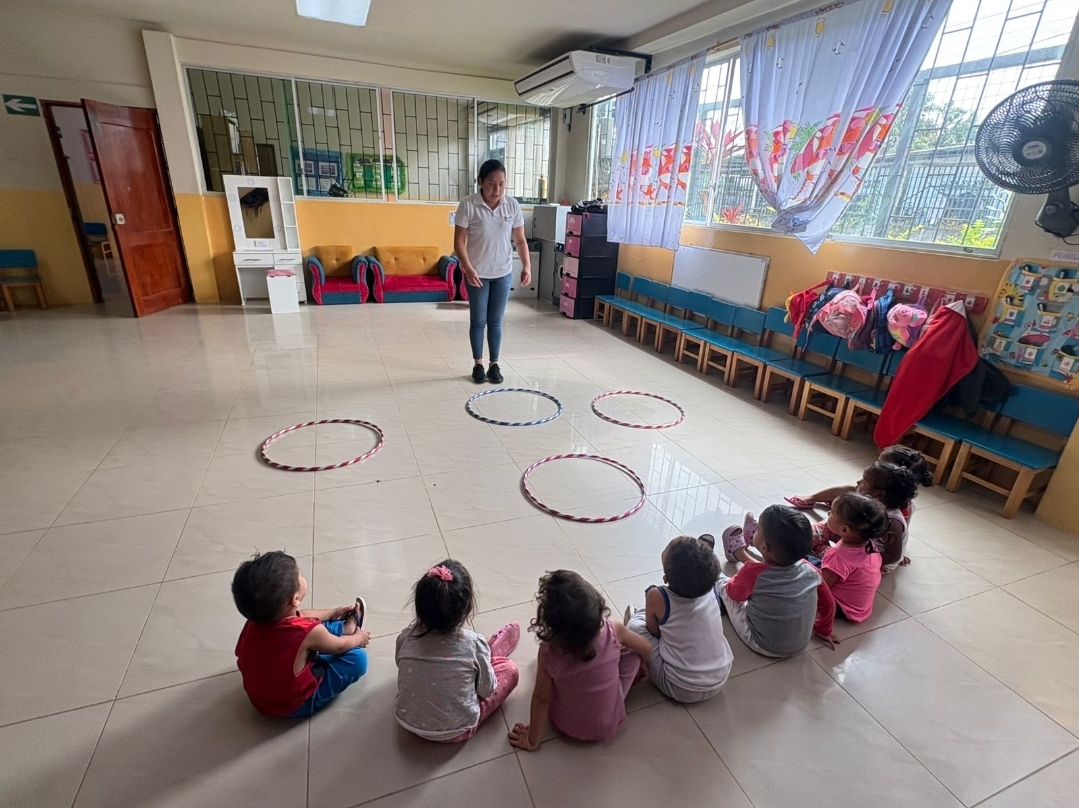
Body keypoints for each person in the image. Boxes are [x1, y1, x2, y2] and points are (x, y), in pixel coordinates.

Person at [508, 570, 651, 751]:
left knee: (551, 680)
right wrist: (642, 664)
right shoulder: (613, 629)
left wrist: (532, 740)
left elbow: (542, 699)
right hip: (609, 723)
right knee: (633, 653)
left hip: (566, 725)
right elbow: (646, 648)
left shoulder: (548, 652)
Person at [232, 551, 370, 718]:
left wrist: (333, 613)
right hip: (292, 704)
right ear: (295, 599)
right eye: (300, 575)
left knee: (311, 628)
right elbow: (339, 647)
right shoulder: (306, 632)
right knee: (358, 659)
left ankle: (342, 629)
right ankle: (343, 633)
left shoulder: (256, 620)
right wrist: (359, 638)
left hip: (260, 700)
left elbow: (301, 616)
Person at [395, 560, 519, 742]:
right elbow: (486, 690)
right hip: (459, 730)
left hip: (408, 723)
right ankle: (489, 657)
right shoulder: (473, 642)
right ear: (468, 608)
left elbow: (400, 663)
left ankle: (485, 659)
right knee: (510, 670)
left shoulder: (405, 637)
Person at [623, 535, 733, 703]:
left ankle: (638, 615)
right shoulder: (709, 590)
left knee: (635, 626)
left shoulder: (656, 594)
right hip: (720, 678)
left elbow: (654, 632)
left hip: (680, 687)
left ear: (666, 578)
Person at [719, 506, 840, 653]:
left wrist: (731, 581)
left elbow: (733, 593)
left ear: (764, 547)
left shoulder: (752, 572)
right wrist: (824, 630)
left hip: (761, 644)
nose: (756, 531)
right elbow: (829, 605)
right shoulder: (812, 571)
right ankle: (741, 555)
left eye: (757, 530)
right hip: (801, 645)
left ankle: (725, 564)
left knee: (724, 587)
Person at [454, 158, 532, 385]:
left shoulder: (512, 205)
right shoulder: (468, 205)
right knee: (478, 320)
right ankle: (478, 364)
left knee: (496, 321)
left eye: (501, 184)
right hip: (477, 274)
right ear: (480, 181)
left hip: (502, 273)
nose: (496, 189)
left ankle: (494, 364)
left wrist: (526, 265)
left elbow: (520, 240)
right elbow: (459, 242)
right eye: (491, 183)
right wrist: (468, 269)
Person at [786, 444, 932, 523]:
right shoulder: (879, 486)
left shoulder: (902, 509)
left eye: (881, 464)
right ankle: (812, 498)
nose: (876, 466)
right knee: (850, 489)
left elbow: (903, 528)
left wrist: (899, 548)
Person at [814, 493, 887, 632]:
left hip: (841, 607)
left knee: (801, 575)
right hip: (859, 606)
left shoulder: (838, 556)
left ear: (844, 529)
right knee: (811, 563)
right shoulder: (870, 545)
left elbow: (821, 587)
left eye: (831, 513)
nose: (828, 514)